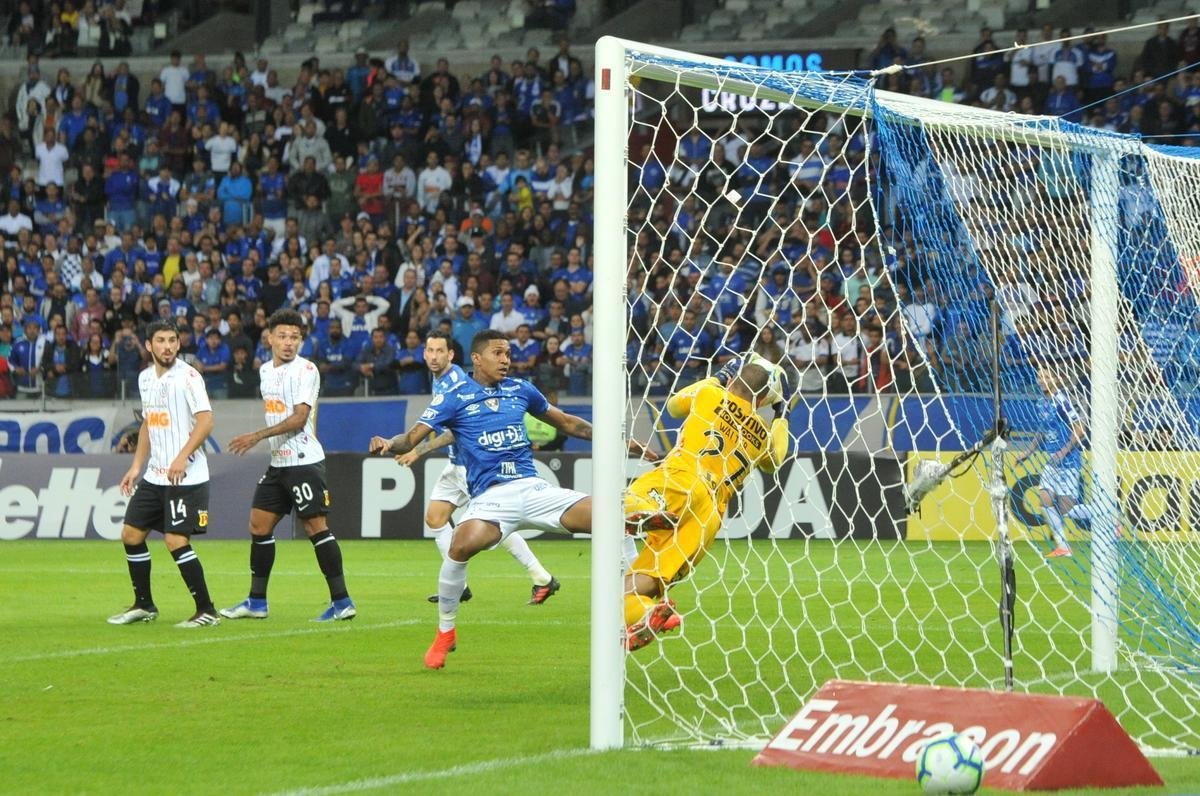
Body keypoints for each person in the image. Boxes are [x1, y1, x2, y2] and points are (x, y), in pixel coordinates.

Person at [369, 329, 656, 669]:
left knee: (614, 516)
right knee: (459, 546)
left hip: (533, 488)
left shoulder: (521, 390)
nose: (506, 359)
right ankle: (446, 631)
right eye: (498, 353)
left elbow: (568, 424)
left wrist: (621, 440)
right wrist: (389, 443)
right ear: (477, 359)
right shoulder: (453, 396)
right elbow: (412, 438)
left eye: (508, 353)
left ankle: (641, 603)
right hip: (491, 497)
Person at [622, 355, 790, 651]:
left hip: (683, 477)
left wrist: (717, 377)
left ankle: (643, 511)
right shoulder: (762, 435)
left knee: (620, 504)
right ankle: (648, 614)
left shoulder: (710, 392)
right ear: (763, 398)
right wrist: (781, 414)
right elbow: (775, 461)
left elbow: (673, 406)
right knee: (641, 584)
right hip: (709, 515)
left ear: (734, 380)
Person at [392, 331, 558, 606]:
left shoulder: (457, 384)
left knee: (499, 521)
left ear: (451, 355)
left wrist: (418, 450)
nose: (434, 356)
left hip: (471, 466)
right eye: (429, 350)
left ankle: (541, 577)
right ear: (424, 353)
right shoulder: (440, 381)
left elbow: (457, 432)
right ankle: (463, 585)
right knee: (435, 518)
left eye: (439, 351)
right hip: (456, 465)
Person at [222, 309, 356, 621]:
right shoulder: (265, 370)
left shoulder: (305, 370)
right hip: (279, 463)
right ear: (269, 338)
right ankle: (256, 602)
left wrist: (257, 435)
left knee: (315, 527)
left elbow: (299, 418)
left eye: (294, 337)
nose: (288, 342)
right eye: (282, 336)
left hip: (303, 462)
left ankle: (342, 601)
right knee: (258, 524)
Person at [108, 321, 220, 628]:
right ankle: (144, 605)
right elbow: (148, 424)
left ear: (179, 344)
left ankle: (207, 610)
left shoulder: (189, 377)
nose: (168, 346)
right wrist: (135, 467)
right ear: (149, 345)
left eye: (172, 340)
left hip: (187, 477)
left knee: (175, 540)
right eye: (161, 340)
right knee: (131, 535)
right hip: (156, 476)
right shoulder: (145, 379)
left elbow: (206, 421)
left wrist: (182, 456)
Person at [1014, 365, 1085, 558]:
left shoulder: (1061, 400)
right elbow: (1042, 432)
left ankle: (1109, 518)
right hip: (1052, 462)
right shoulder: (1041, 403)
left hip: (1069, 460)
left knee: (1067, 509)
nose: (1041, 380)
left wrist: (1063, 451)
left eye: (1046, 376)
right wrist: (1026, 453)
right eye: (1039, 376)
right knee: (1044, 499)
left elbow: (1080, 428)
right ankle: (1063, 546)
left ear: (1055, 379)